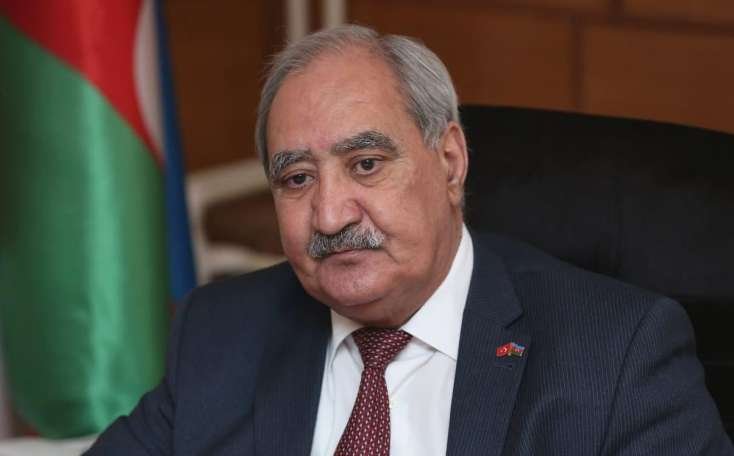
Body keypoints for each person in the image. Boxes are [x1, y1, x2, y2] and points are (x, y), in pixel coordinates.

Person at [87, 25, 732, 455]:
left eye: (366, 164)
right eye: (297, 178)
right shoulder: (221, 333)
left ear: (449, 162)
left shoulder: (617, 355)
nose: (330, 216)